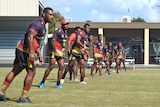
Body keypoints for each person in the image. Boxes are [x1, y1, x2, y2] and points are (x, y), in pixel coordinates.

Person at [0, 7, 54, 103]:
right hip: (25, 51)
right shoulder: (38, 23)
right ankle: (23, 97)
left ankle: (1, 92)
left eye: (53, 15)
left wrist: (40, 54)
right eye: (50, 14)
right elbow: (30, 36)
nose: (52, 17)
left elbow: (35, 41)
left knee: (15, 70)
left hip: (21, 49)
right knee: (31, 72)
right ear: (44, 14)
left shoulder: (42, 25)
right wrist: (31, 53)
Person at [39, 19, 69, 89]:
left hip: (60, 52)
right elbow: (52, 41)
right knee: (51, 67)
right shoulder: (57, 31)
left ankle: (58, 83)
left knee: (61, 67)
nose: (67, 26)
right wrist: (55, 50)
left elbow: (63, 42)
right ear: (62, 25)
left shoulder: (65, 32)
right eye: (66, 24)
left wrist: (63, 50)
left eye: (67, 24)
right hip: (55, 51)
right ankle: (42, 81)